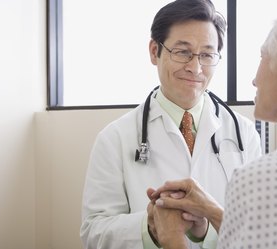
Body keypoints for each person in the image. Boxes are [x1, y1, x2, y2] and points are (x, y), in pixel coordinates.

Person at [149, 5, 277, 249]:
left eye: (263, 57)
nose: (254, 79)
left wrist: (172, 239)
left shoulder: (264, 181)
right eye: (183, 52)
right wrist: (214, 212)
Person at [80, 0, 262, 248]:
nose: (196, 68)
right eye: (183, 52)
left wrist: (206, 229)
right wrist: (150, 226)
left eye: (207, 55)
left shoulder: (244, 133)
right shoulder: (115, 138)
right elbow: (93, 233)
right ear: (154, 51)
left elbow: (258, 228)